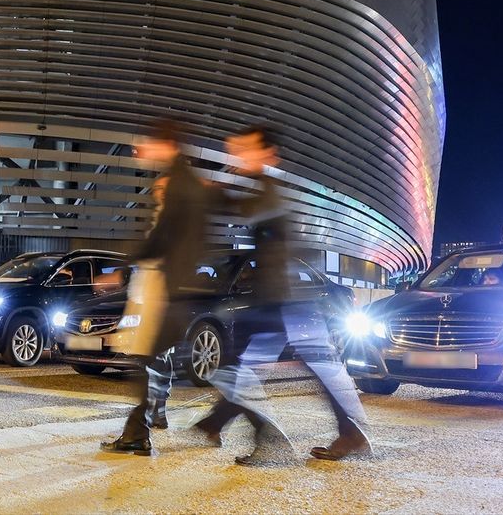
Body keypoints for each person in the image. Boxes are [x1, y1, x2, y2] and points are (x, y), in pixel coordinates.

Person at [197, 125, 371, 465]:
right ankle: (219, 423)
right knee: (252, 366)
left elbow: (247, 210)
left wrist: (214, 190)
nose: (238, 156)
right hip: (279, 299)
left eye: (245, 150)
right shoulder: (266, 189)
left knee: (263, 366)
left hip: (280, 300)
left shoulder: (270, 192)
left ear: (266, 154)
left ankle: (344, 434)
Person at [101, 124, 222, 456]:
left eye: (148, 145)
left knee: (145, 358)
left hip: (163, 286)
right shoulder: (184, 180)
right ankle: (139, 431)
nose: (142, 151)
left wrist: (122, 268)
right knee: (147, 358)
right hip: (164, 284)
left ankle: (140, 432)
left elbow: (161, 238)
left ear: (166, 144)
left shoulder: (180, 183)